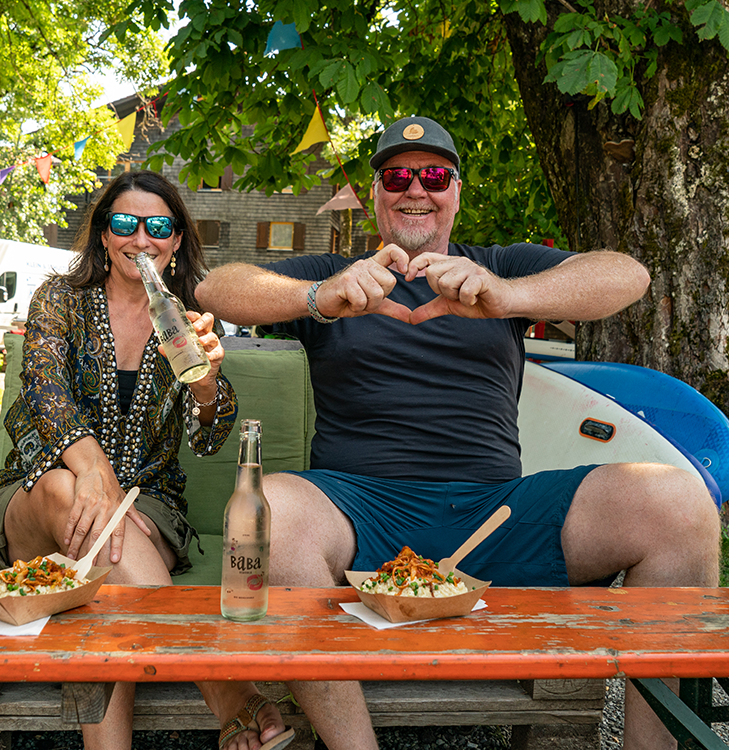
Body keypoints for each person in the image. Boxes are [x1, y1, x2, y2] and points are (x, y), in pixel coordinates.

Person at [195, 116, 720, 750]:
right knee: (270, 508)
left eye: (434, 174)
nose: (416, 188)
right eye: (398, 175)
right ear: (376, 193)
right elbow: (217, 287)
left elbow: (626, 275)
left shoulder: (500, 266)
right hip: (358, 510)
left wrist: (507, 294)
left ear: (456, 192)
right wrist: (318, 295)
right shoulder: (337, 275)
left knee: (679, 501)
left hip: (493, 514)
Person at [0, 170, 295, 750]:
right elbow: (43, 392)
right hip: (39, 496)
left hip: (148, 510)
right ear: (103, 235)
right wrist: (96, 474)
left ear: (177, 240)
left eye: (158, 226)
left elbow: (211, 440)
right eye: (124, 223)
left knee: (106, 565)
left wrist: (209, 385)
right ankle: (230, 694)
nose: (141, 239)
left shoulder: (188, 317)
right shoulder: (59, 298)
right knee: (70, 495)